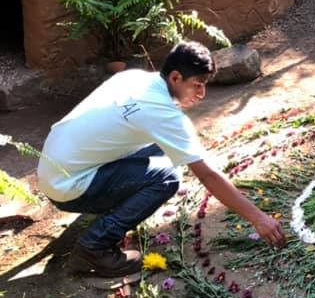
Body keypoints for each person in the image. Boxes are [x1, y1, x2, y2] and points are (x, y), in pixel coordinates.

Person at [37, 41, 285, 278]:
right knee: (167, 178)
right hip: (69, 187)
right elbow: (207, 174)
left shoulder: (134, 77)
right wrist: (258, 218)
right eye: (197, 84)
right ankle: (94, 246)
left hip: (55, 169)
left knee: (162, 148)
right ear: (175, 77)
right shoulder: (162, 113)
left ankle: (108, 201)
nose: (202, 94)